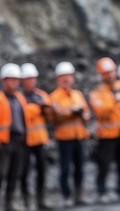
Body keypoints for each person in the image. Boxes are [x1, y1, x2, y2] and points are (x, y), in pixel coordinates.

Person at [89, 57, 120, 203]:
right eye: (107, 73)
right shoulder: (97, 92)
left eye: (112, 72)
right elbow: (100, 111)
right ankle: (101, 192)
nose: (110, 75)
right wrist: (115, 99)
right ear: (101, 74)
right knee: (104, 164)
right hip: (107, 135)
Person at [0, 63, 30, 211]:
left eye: (16, 80)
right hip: (3, 142)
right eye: (10, 79)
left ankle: (9, 203)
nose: (14, 83)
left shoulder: (20, 98)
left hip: (18, 140)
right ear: (3, 81)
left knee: (14, 173)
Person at [49, 62, 91, 207]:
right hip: (64, 139)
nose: (66, 79)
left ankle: (79, 195)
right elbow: (54, 116)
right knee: (65, 168)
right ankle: (67, 196)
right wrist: (71, 112)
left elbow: (86, 113)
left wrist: (82, 113)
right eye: (63, 77)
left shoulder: (77, 95)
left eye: (68, 76)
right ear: (58, 79)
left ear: (72, 78)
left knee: (80, 168)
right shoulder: (54, 97)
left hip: (79, 137)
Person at [19, 63, 53, 209]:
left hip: (39, 139)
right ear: (22, 80)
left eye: (33, 78)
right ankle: (26, 202)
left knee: (42, 171)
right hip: (24, 141)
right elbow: (24, 114)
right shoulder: (19, 97)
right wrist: (38, 107)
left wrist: (47, 111)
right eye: (28, 79)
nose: (31, 81)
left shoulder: (42, 95)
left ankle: (41, 200)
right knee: (24, 173)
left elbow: (51, 115)